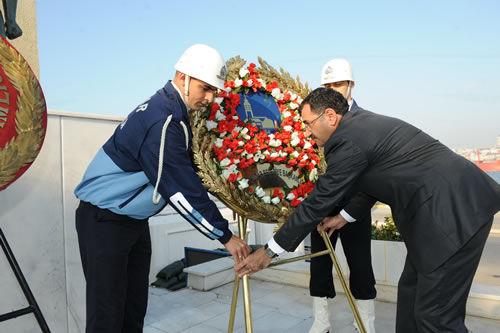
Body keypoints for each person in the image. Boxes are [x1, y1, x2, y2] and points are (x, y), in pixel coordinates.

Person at [235, 87, 500, 332]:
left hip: (453, 213)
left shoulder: (346, 140)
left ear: (330, 116)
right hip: (442, 213)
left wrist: (270, 251)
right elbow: (372, 182)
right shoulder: (359, 127)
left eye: (307, 123)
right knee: (410, 295)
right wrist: (343, 217)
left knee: (436, 316)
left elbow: (318, 201)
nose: (306, 132)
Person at [74, 44, 250, 333]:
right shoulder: (164, 119)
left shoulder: (173, 111)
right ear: (183, 77)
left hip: (131, 221)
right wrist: (225, 236)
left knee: (132, 313)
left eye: (214, 91)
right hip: (105, 221)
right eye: (205, 88)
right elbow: (181, 191)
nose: (209, 97)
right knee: (107, 317)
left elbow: (190, 171)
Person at [308, 59, 376, 333]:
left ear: (351, 85)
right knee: (319, 265)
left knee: (360, 266)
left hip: (354, 206)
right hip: (322, 204)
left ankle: (366, 325)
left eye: (337, 84)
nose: (333, 90)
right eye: (328, 85)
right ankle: (321, 322)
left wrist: (349, 213)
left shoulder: (365, 121)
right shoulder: (314, 119)